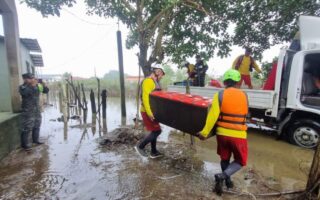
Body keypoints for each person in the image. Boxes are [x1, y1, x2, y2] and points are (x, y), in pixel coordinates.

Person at [196, 69, 249, 196]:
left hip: (222, 134)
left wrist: (204, 133)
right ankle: (223, 176)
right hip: (238, 134)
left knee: (224, 157)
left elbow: (212, 116)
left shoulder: (220, 94)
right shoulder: (244, 95)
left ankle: (228, 181)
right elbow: (246, 113)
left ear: (225, 82)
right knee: (240, 161)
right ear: (237, 82)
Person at [135, 66, 165, 158]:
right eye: (161, 75)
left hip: (152, 111)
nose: (161, 77)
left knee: (154, 130)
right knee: (157, 131)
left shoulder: (154, 82)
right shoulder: (148, 81)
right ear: (158, 72)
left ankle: (154, 152)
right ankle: (140, 147)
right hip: (147, 111)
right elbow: (145, 98)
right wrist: (149, 113)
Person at [19, 73, 49, 151]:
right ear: (25, 79)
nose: (33, 79)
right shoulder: (22, 87)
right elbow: (25, 94)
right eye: (30, 78)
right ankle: (25, 145)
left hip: (36, 110)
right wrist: (32, 85)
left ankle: (35, 140)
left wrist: (44, 84)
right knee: (27, 127)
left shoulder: (37, 86)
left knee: (37, 125)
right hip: (28, 110)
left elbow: (46, 91)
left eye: (33, 78)